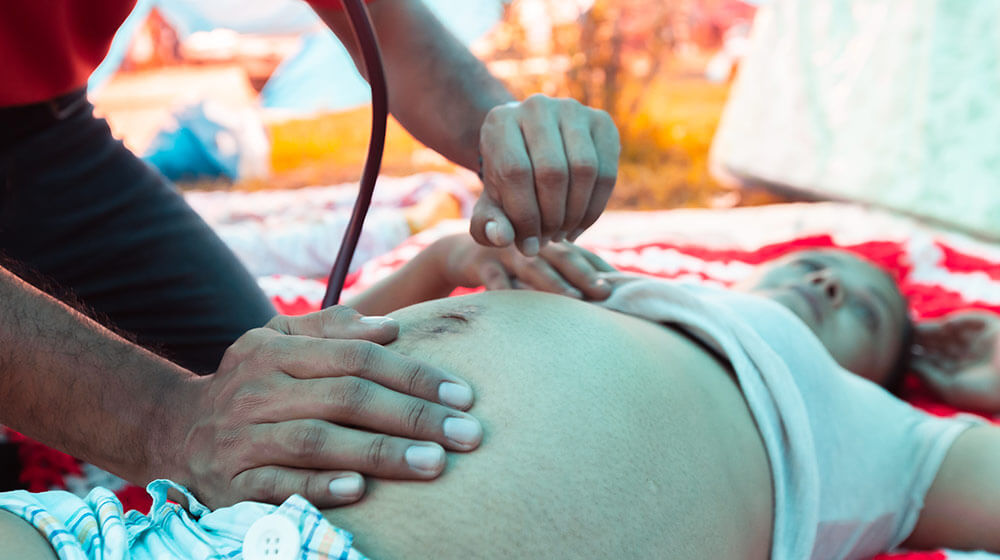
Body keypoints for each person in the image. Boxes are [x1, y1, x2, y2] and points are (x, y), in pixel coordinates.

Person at [4, 238, 998, 559]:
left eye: (867, 304)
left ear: (886, 371)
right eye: (820, 260)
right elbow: (273, 367)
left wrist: (975, 380)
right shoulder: (611, 285)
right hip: (176, 528)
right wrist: (438, 263)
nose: (834, 279)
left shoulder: (882, 429)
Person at [0, 0, 620, 509]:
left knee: (268, 409)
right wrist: (165, 420)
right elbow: (179, 423)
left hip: (44, 130)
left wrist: (505, 142)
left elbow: (387, 26)